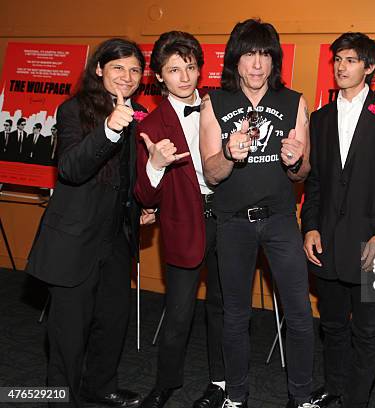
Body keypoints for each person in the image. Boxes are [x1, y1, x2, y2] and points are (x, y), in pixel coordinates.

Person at [25, 38, 153, 408]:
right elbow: (70, 169)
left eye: (133, 70)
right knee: (68, 334)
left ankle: (101, 385)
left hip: (115, 237)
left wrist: (144, 201)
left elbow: (129, 177)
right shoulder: (73, 110)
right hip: (74, 240)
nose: (126, 77)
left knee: (112, 323)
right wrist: (110, 129)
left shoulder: (139, 112)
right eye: (117, 68)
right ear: (99, 69)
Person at [199, 18, 315, 408]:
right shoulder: (214, 102)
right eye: (249, 54)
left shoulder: (294, 101)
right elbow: (212, 173)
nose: (257, 64)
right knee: (235, 315)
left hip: (281, 220)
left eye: (265, 55)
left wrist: (295, 161)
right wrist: (229, 154)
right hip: (232, 222)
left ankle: (300, 397)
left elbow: (303, 173)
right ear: (236, 59)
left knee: (299, 313)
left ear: (274, 61)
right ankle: (236, 396)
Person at [301, 32, 375, 408]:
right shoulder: (319, 118)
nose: (342, 67)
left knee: (367, 332)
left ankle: (356, 400)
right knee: (331, 326)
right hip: (327, 242)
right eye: (338, 60)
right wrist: (310, 226)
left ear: (370, 67)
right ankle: (333, 388)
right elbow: (314, 183)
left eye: (350, 60)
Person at [134, 30, 225, 408]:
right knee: (179, 312)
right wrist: (155, 164)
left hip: (227, 218)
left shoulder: (222, 106)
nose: (184, 77)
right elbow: (146, 195)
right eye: (174, 69)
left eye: (190, 67)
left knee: (224, 307)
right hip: (183, 222)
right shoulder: (151, 126)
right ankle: (166, 382)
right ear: (159, 76)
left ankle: (222, 383)